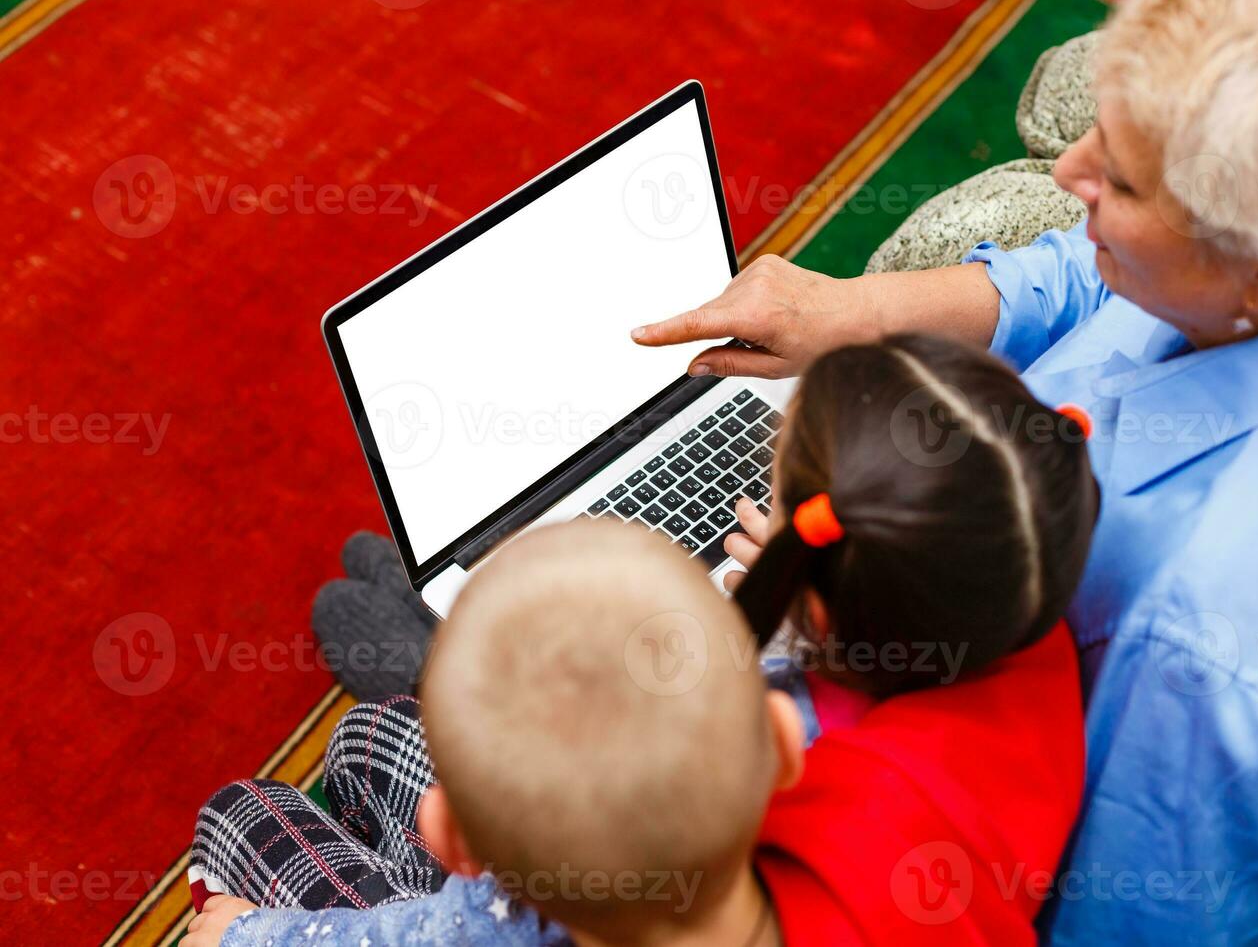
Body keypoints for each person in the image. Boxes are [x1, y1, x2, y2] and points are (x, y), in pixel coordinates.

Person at [631, 0, 1258, 941]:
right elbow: (1107, 270)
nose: (1071, 171)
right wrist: (855, 312)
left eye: (1119, 179)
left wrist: (840, 594)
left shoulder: (1198, 654)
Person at [185, 333, 1100, 946]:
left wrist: (245, 934)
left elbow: (457, 928)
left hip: (498, 901)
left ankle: (454, 677)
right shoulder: (1023, 641)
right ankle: (450, 690)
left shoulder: (543, 907)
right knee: (374, 735)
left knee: (247, 813)